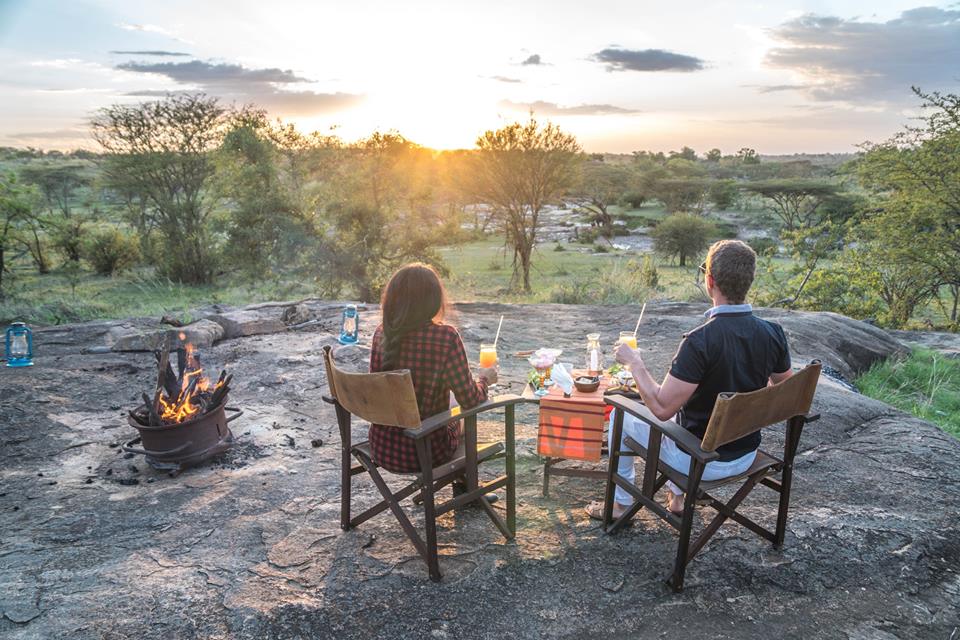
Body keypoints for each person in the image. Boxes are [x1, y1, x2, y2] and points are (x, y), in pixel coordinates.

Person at [586, 240, 793, 519]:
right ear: (749, 281)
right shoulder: (773, 333)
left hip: (702, 461)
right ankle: (677, 501)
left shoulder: (700, 341)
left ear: (710, 281)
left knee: (620, 417)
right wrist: (748, 401)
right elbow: (785, 391)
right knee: (683, 418)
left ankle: (620, 505)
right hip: (746, 454)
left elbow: (661, 408)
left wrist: (635, 362)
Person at [368, 263, 498, 474]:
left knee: (452, 400)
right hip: (426, 452)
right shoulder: (445, 337)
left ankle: (465, 485)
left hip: (382, 448)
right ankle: (467, 489)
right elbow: (471, 399)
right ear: (433, 300)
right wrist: (484, 379)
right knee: (463, 408)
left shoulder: (382, 333)